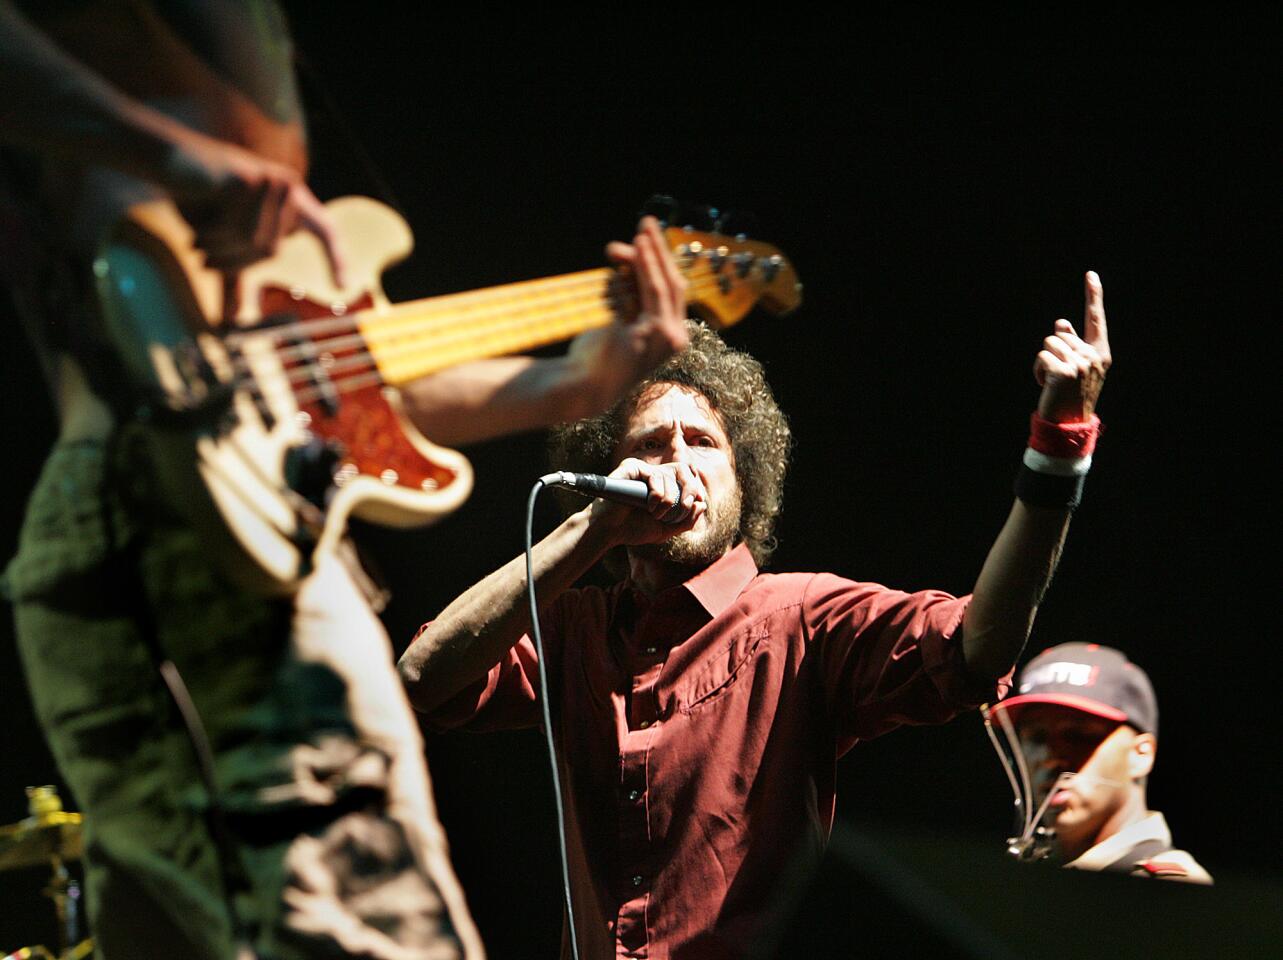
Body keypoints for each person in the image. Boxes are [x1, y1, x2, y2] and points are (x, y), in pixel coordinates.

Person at [0, 2, 688, 958]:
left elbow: (332, 376)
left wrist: (570, 383)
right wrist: (171, 155)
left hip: (198, 514)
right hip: (195, 528)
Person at [399, 276, 1113, 959]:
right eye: (649, 443)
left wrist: (1056, 451)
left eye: (703, 442)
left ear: (742, 484)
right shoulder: (572, 625)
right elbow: (423, 679)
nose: (674, 461)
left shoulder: (803, 618)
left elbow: (976, 646)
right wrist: (589, 532)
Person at [983, 642, 1212, 883]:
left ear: (1141, 755)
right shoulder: (1035, 879)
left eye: (1079, 736)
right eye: (1036, 738)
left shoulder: (1167, 892)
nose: (1051, 759)